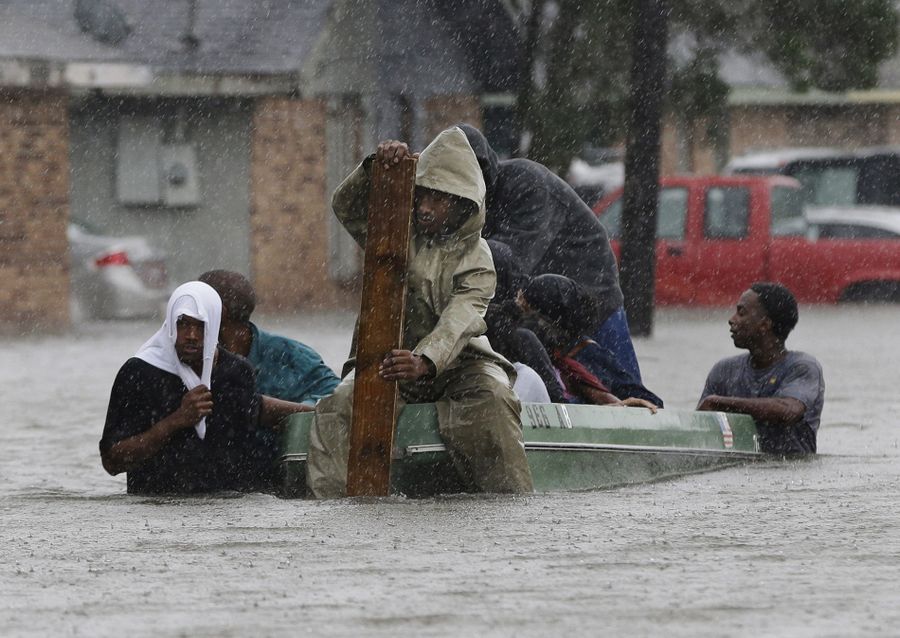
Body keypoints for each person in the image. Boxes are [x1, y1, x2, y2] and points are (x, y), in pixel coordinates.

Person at [306, 126, 534, 498]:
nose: (425, 207)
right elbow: (344, 207)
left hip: (462, 365)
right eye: (421, 195)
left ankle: (508, 507)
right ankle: (335, 512)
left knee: (495, 398)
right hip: (387, 361)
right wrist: (376, 167)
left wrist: (425, 359)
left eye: (438, 199)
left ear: (462, 202)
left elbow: (461, 320)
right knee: (338, 406)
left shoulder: (480, 259)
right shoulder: (391, 230)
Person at [458, 124, 656, 404]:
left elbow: (505, 264)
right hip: (531, 312)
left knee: (634, 401)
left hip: (587, 301)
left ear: (485, 168)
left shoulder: (525, 184)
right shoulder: (461, 204)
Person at [100, 281, 304, 494]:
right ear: (170, 323)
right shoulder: (139, 372)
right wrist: (175, 421)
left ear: (216, 325)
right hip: (160, 510)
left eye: (201, 326)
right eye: (183, 324)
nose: (191, 335)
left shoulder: (237, 372)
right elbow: (112, 462)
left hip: (229, 513)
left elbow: (246, 449)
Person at [698, 282, 825, 456]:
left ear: (764, 325)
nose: (731, 319)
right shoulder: (723, 370)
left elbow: (788, 410)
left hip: (790, 476)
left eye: (741, 312)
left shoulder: (803, 367)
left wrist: (720, 403)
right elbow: (700, 430)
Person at [197, 269, 340, 406]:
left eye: (196, 307)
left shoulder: (291, 356)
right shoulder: (189, 355)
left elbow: (336, 395)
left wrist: (292, 416)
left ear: (220, 312)